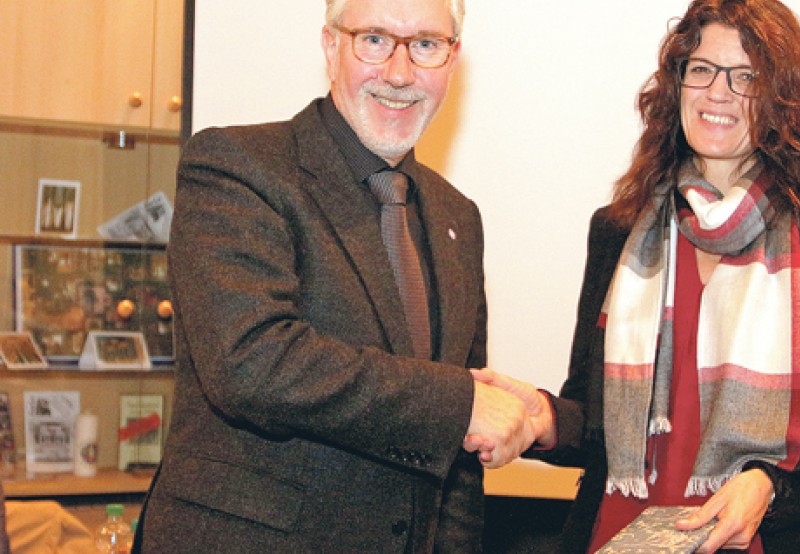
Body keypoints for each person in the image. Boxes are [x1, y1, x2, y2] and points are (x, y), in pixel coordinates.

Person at [473, 0, 800, 551]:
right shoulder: (619, 230)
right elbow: (594, 425)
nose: (719, 92)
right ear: (677, 85)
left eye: (747, 77)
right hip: (615, 535)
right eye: (702, 70)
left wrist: (767, 486)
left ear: (782, 98)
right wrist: (543, 420)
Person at [135, 0, 535, 552]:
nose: (399, 73)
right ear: (330, 46)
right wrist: (460, 402)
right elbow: (252, 362)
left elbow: (457, 460)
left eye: (425, 44)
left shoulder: (457, 216)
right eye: (374, 40)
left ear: (452, 58)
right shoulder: (237, 164)